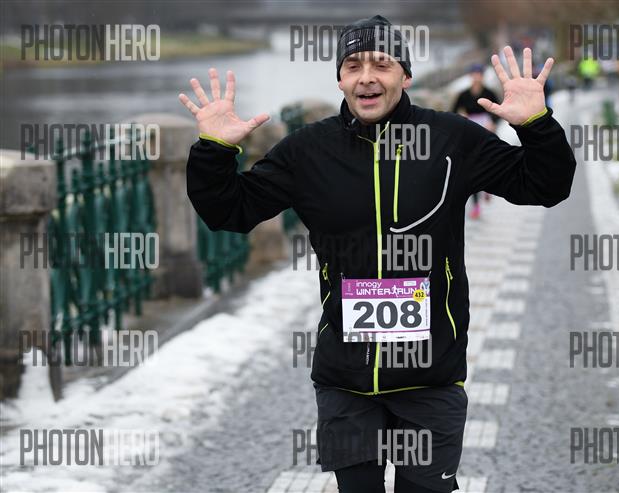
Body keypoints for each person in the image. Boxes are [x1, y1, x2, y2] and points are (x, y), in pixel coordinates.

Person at [181, 15, 576, 493]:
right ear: (340, 80)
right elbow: (229, 210)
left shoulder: (451, 139)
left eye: (381, 64)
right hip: (346, 378)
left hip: (430, 376)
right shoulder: (308, 151)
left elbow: (545, 185)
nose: (366, 77)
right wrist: (214, 151)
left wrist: (536, 125)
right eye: (353, 66)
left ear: (405, 75)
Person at [451, 63, 501, 219]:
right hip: (470, 128)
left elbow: (498, 110)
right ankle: (476, 205)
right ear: (470, 76)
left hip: (486, 127)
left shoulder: (489, 93)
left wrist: (493, 122)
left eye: (479, 74)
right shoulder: (463, 94)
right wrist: (461, 117)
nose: (476, 77)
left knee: (488, 160)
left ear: (483, 76)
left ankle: (488, 187)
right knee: (471, 164)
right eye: (474, 74)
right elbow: (453, 111)